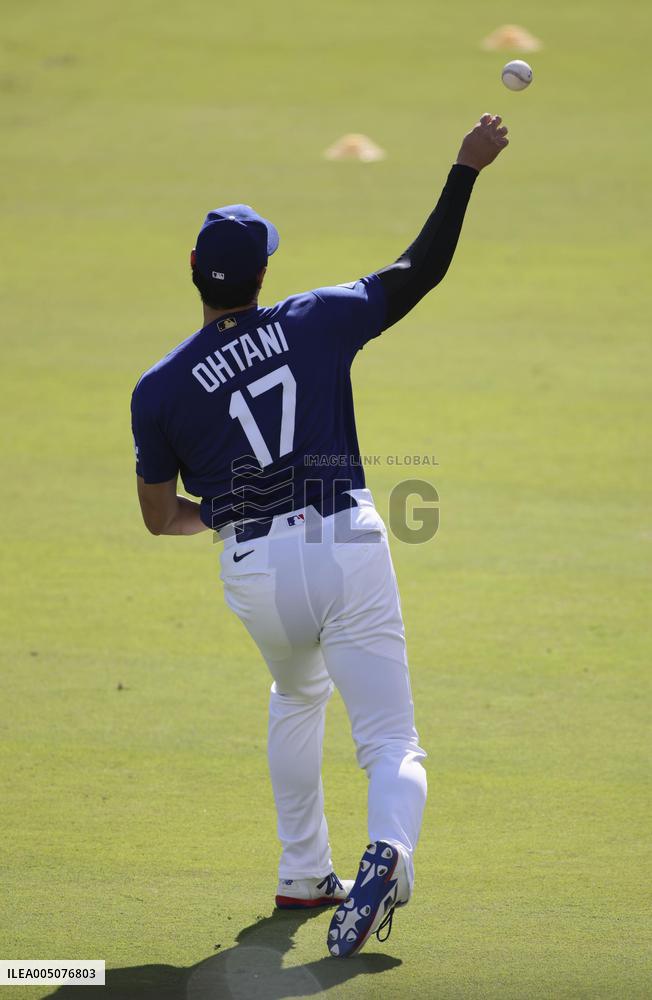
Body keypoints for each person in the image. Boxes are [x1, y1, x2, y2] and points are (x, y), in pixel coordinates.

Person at [131, 113, 509, 957]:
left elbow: (160, 517)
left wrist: (220, 515)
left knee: (297, 694)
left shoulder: (156, 388)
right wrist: (465, 168)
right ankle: (390, 855)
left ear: (195, 273)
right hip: (345, 540)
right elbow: (421, 269)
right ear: (265, 270)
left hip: (255, 570)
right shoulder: (314, 318)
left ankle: (305, 872)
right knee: (391, 740)